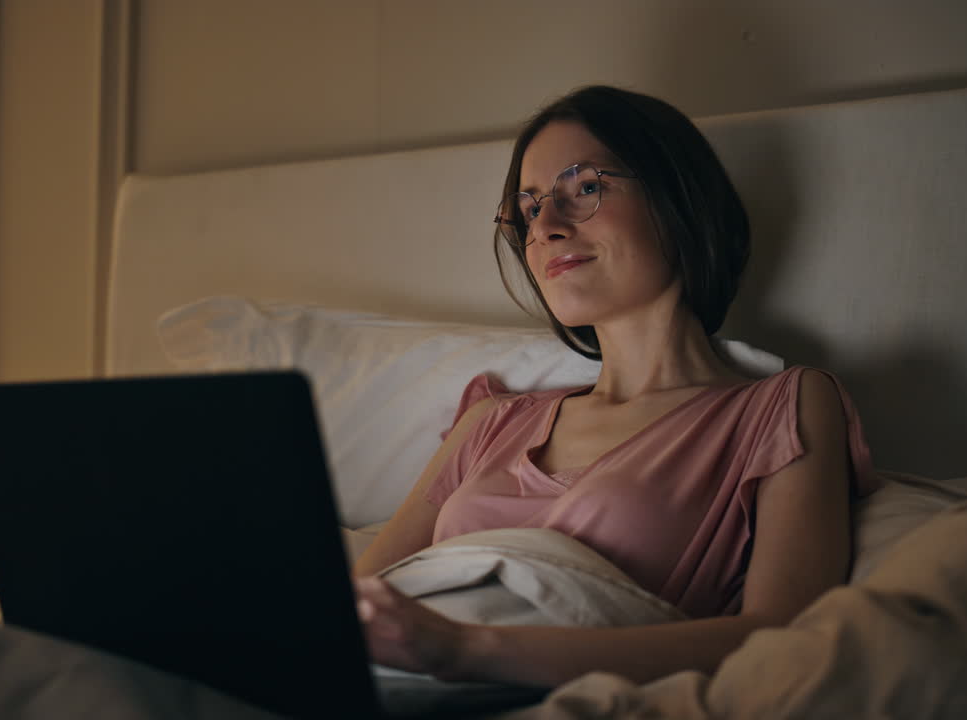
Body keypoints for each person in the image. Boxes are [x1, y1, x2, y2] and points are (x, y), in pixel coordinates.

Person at [352, 85, 877, 689]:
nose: (545, 226)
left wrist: (468, 649)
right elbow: (357, 609)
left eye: (585, 188)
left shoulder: (784, 408)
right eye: (528, 208)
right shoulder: (489, 423)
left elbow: (782, 635)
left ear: (678, 199)